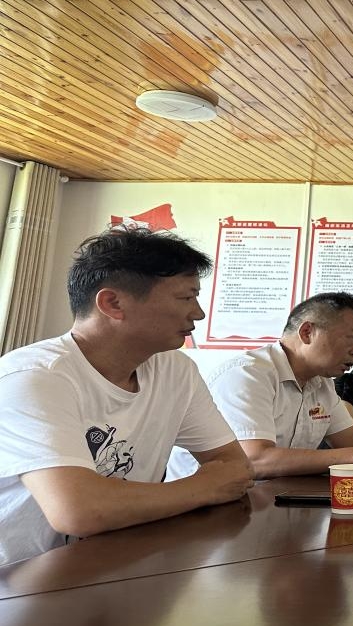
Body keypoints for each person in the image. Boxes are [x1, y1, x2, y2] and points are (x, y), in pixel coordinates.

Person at [0, 228, 252, 565]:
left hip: (116, 562)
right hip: (20, 578)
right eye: (186, 298)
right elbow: (78, 511)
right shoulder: (35, 377)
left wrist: (208, 484)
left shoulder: (175, 370)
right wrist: (204, 487)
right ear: (113, 303)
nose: (198, 313)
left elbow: (234, 465)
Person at [168, 292, 353, 481]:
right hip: (206, 512)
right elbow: (255, 460)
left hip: (273, 501)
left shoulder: (321, 383)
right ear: (307, 332)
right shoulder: (249, 374)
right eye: (352, 338)